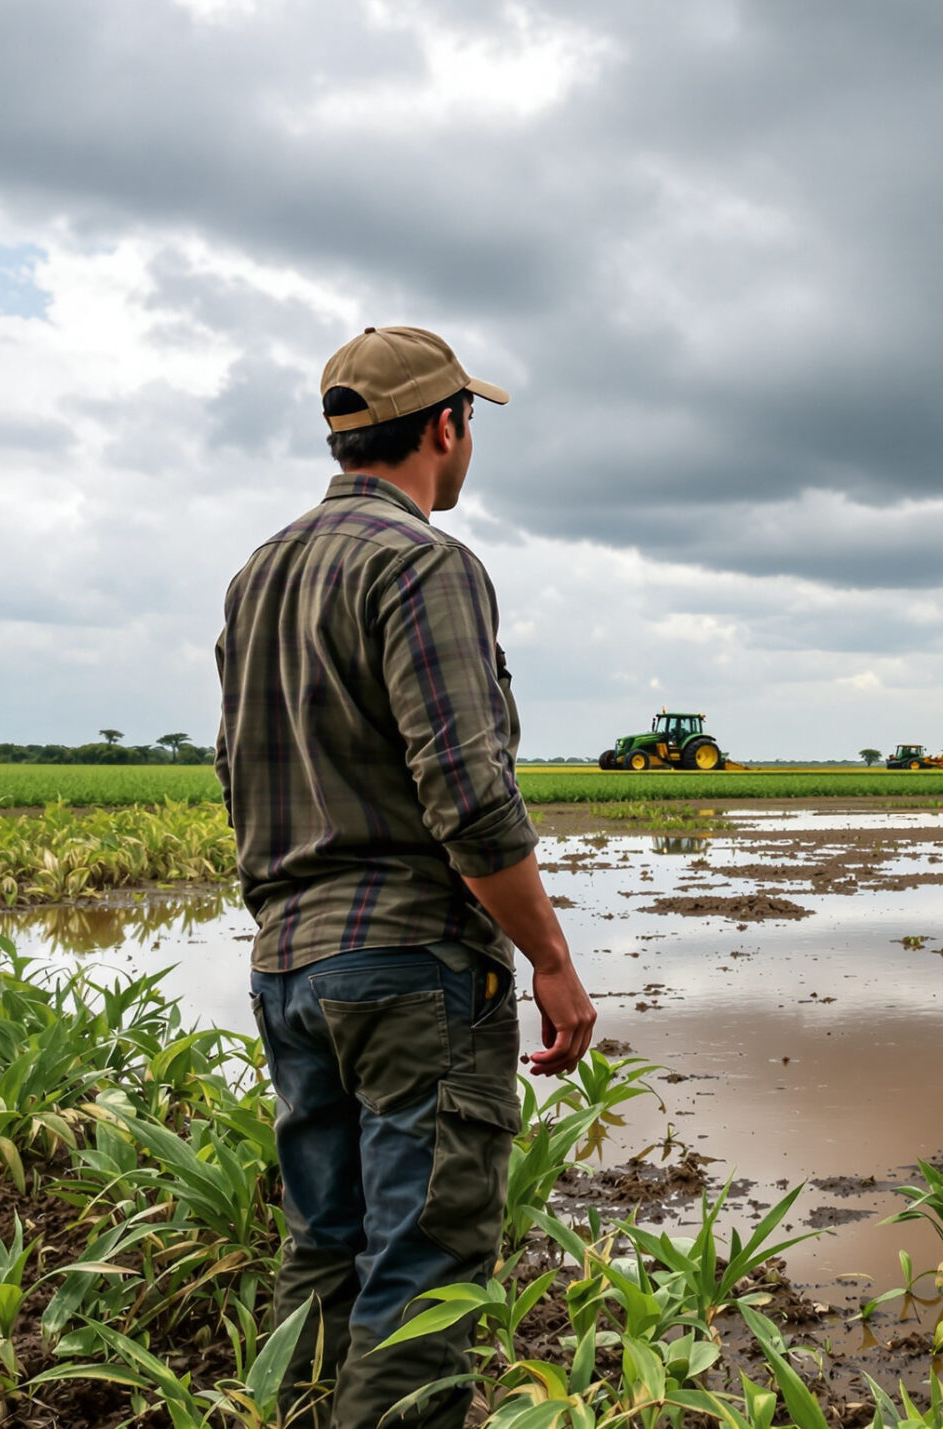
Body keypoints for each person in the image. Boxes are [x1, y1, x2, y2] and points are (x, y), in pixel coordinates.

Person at [215, 326, 597, 1429]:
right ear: (447, 425)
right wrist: (553, 962)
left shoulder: (260, 575)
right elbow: (469, 795)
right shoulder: (422, 564)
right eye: (468, 421)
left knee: (323, 1251)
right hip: (409, 968)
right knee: (422, 1277)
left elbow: (241, 775)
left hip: (289, 964)